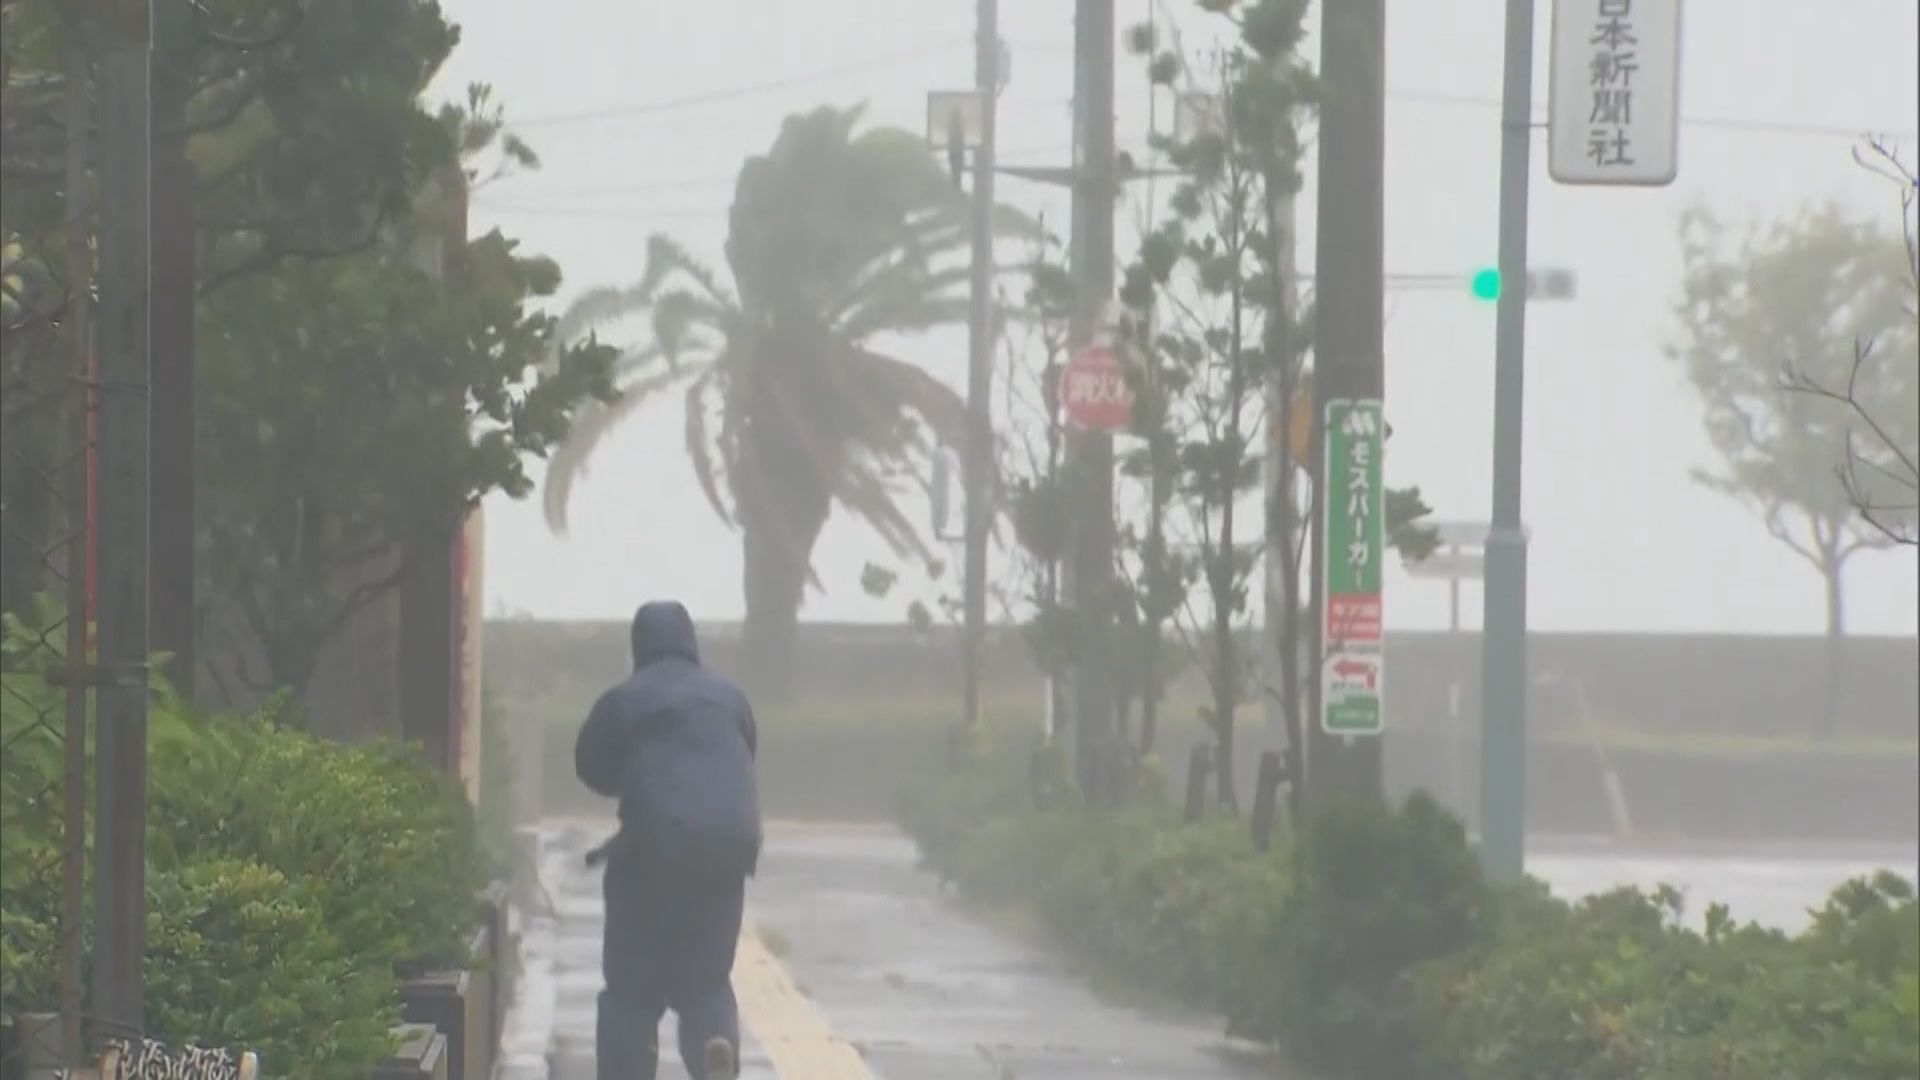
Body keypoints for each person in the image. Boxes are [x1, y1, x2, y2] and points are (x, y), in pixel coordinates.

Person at [575, 601, 761, 1080]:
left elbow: (589, 766)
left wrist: (632, 775)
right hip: (727, 854)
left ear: (638, 645)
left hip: (651, 856)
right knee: (707, 983)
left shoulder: (626, 699)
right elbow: (742, 755)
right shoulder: (731, 697)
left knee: (631, 992)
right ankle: (714, 1051)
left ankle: (627, 1071)